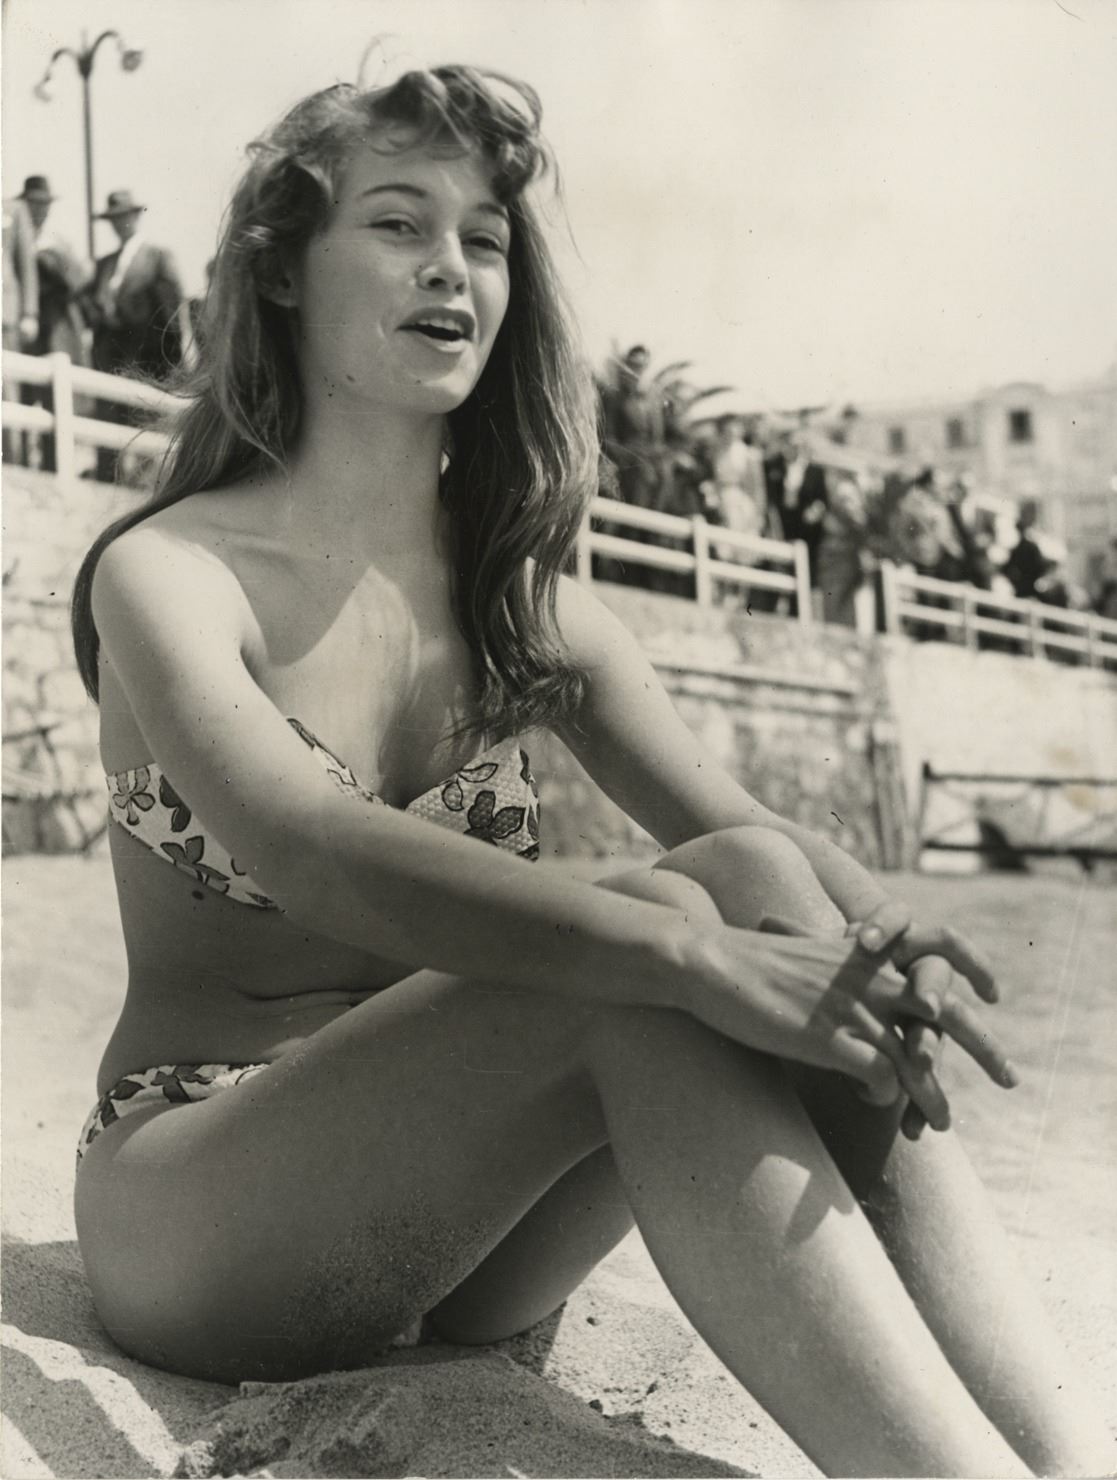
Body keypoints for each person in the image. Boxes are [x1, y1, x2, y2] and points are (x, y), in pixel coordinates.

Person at [68, 68, 1113, 1478]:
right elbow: (309, 843)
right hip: (207, 1202)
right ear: (282, 272)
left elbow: (743, 832)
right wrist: (684, 956)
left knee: (744, 876)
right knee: (647, 960)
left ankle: (1063, 1452)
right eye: (397, 222)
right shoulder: (171, 574)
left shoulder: (520, 600)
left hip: (467, 1232)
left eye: (484, 238)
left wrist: (877, 930)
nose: (450, 266)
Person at [81, 189, 189, 483]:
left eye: (124, 217)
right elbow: (88, 303)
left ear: (135, 217)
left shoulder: (157, 257)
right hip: (109, 355)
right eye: (114, 219)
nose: (119, 224)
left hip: (145, 353)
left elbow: (171, 311)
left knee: (146, 420)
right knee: (109, 418)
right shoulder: (105, 263)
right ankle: (109, 478)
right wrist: (100, 312)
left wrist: (172, 359)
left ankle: (146, 481)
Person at [15, 175, 89, 472]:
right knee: (22, 403)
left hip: (56, 330)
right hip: (25, 333)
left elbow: (77, 282)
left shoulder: (57, 242)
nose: (39, 210)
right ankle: (22, 467)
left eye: (44, 204)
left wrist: (49, 260)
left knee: (57, 405)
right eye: (33, 203)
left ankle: (56, 469)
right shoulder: (13, 238)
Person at [2, 190, 39, 464]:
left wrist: (29, 313)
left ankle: (11, 462)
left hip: (5, 319)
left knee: (8, 391)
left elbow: (26, 264)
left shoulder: (13, 209)